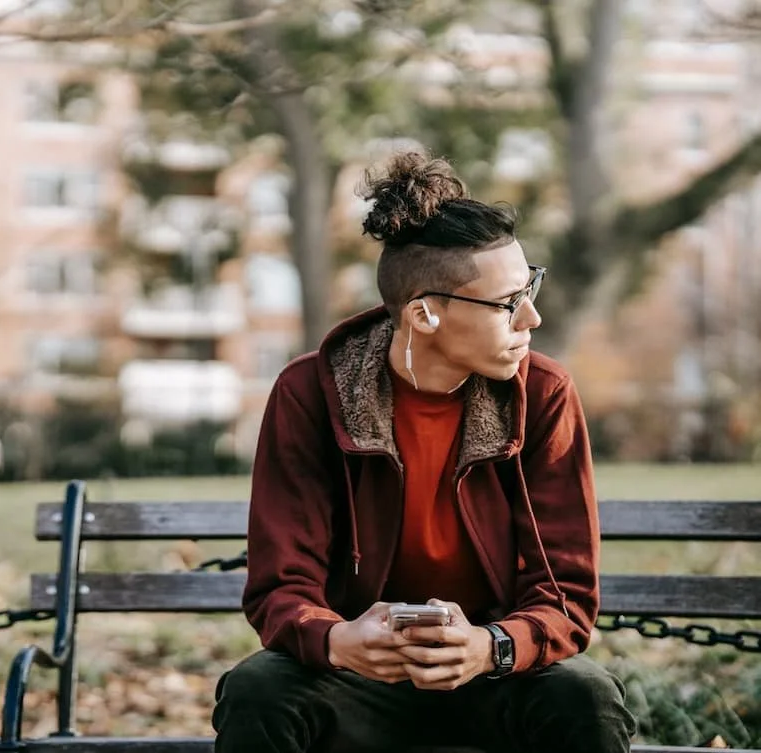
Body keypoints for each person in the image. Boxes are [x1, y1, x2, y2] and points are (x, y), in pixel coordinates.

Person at [212, 151, 637, 753]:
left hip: (497, 677)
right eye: (506, 303)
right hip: (356, 679)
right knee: (259, 690)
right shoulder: (311, 393)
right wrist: (337, 640)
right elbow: (281, 587)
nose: (532, 318)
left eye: (530, 287)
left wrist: (494, 646)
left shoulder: (541, 395)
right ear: (424, 314)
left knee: (584, 697)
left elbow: (565, 593)